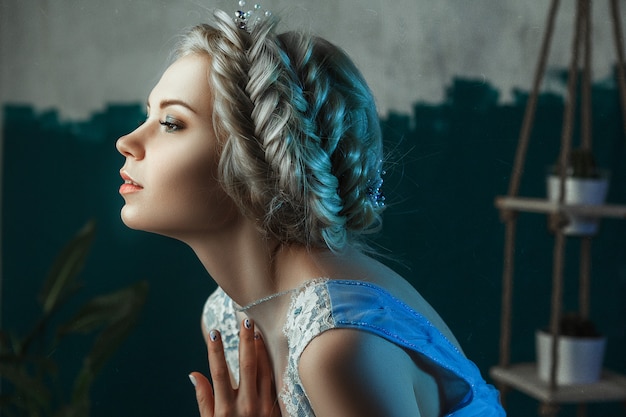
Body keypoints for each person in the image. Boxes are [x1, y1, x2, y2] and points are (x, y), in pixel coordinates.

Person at [116, 4, 506, 417]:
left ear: (255, 159)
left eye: (172, 123)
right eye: (149, 115)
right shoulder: (228, 315)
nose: (127, 140)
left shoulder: (336, 347)